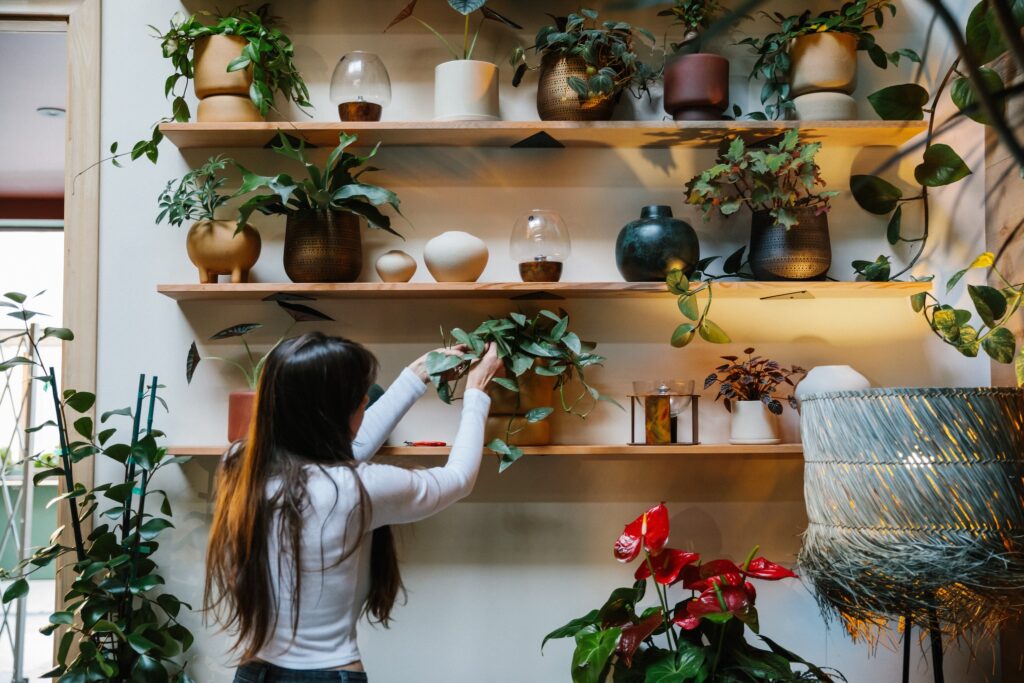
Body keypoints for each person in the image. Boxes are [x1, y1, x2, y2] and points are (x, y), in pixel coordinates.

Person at [203, 332, 502, 682]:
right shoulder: (358, 487)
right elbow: (459, 478)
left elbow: (328, 462)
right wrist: (477, 392)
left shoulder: (240, 464)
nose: (365, 399)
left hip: (254, 674)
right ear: (329, 414)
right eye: (358, 399)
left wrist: (418, 373)